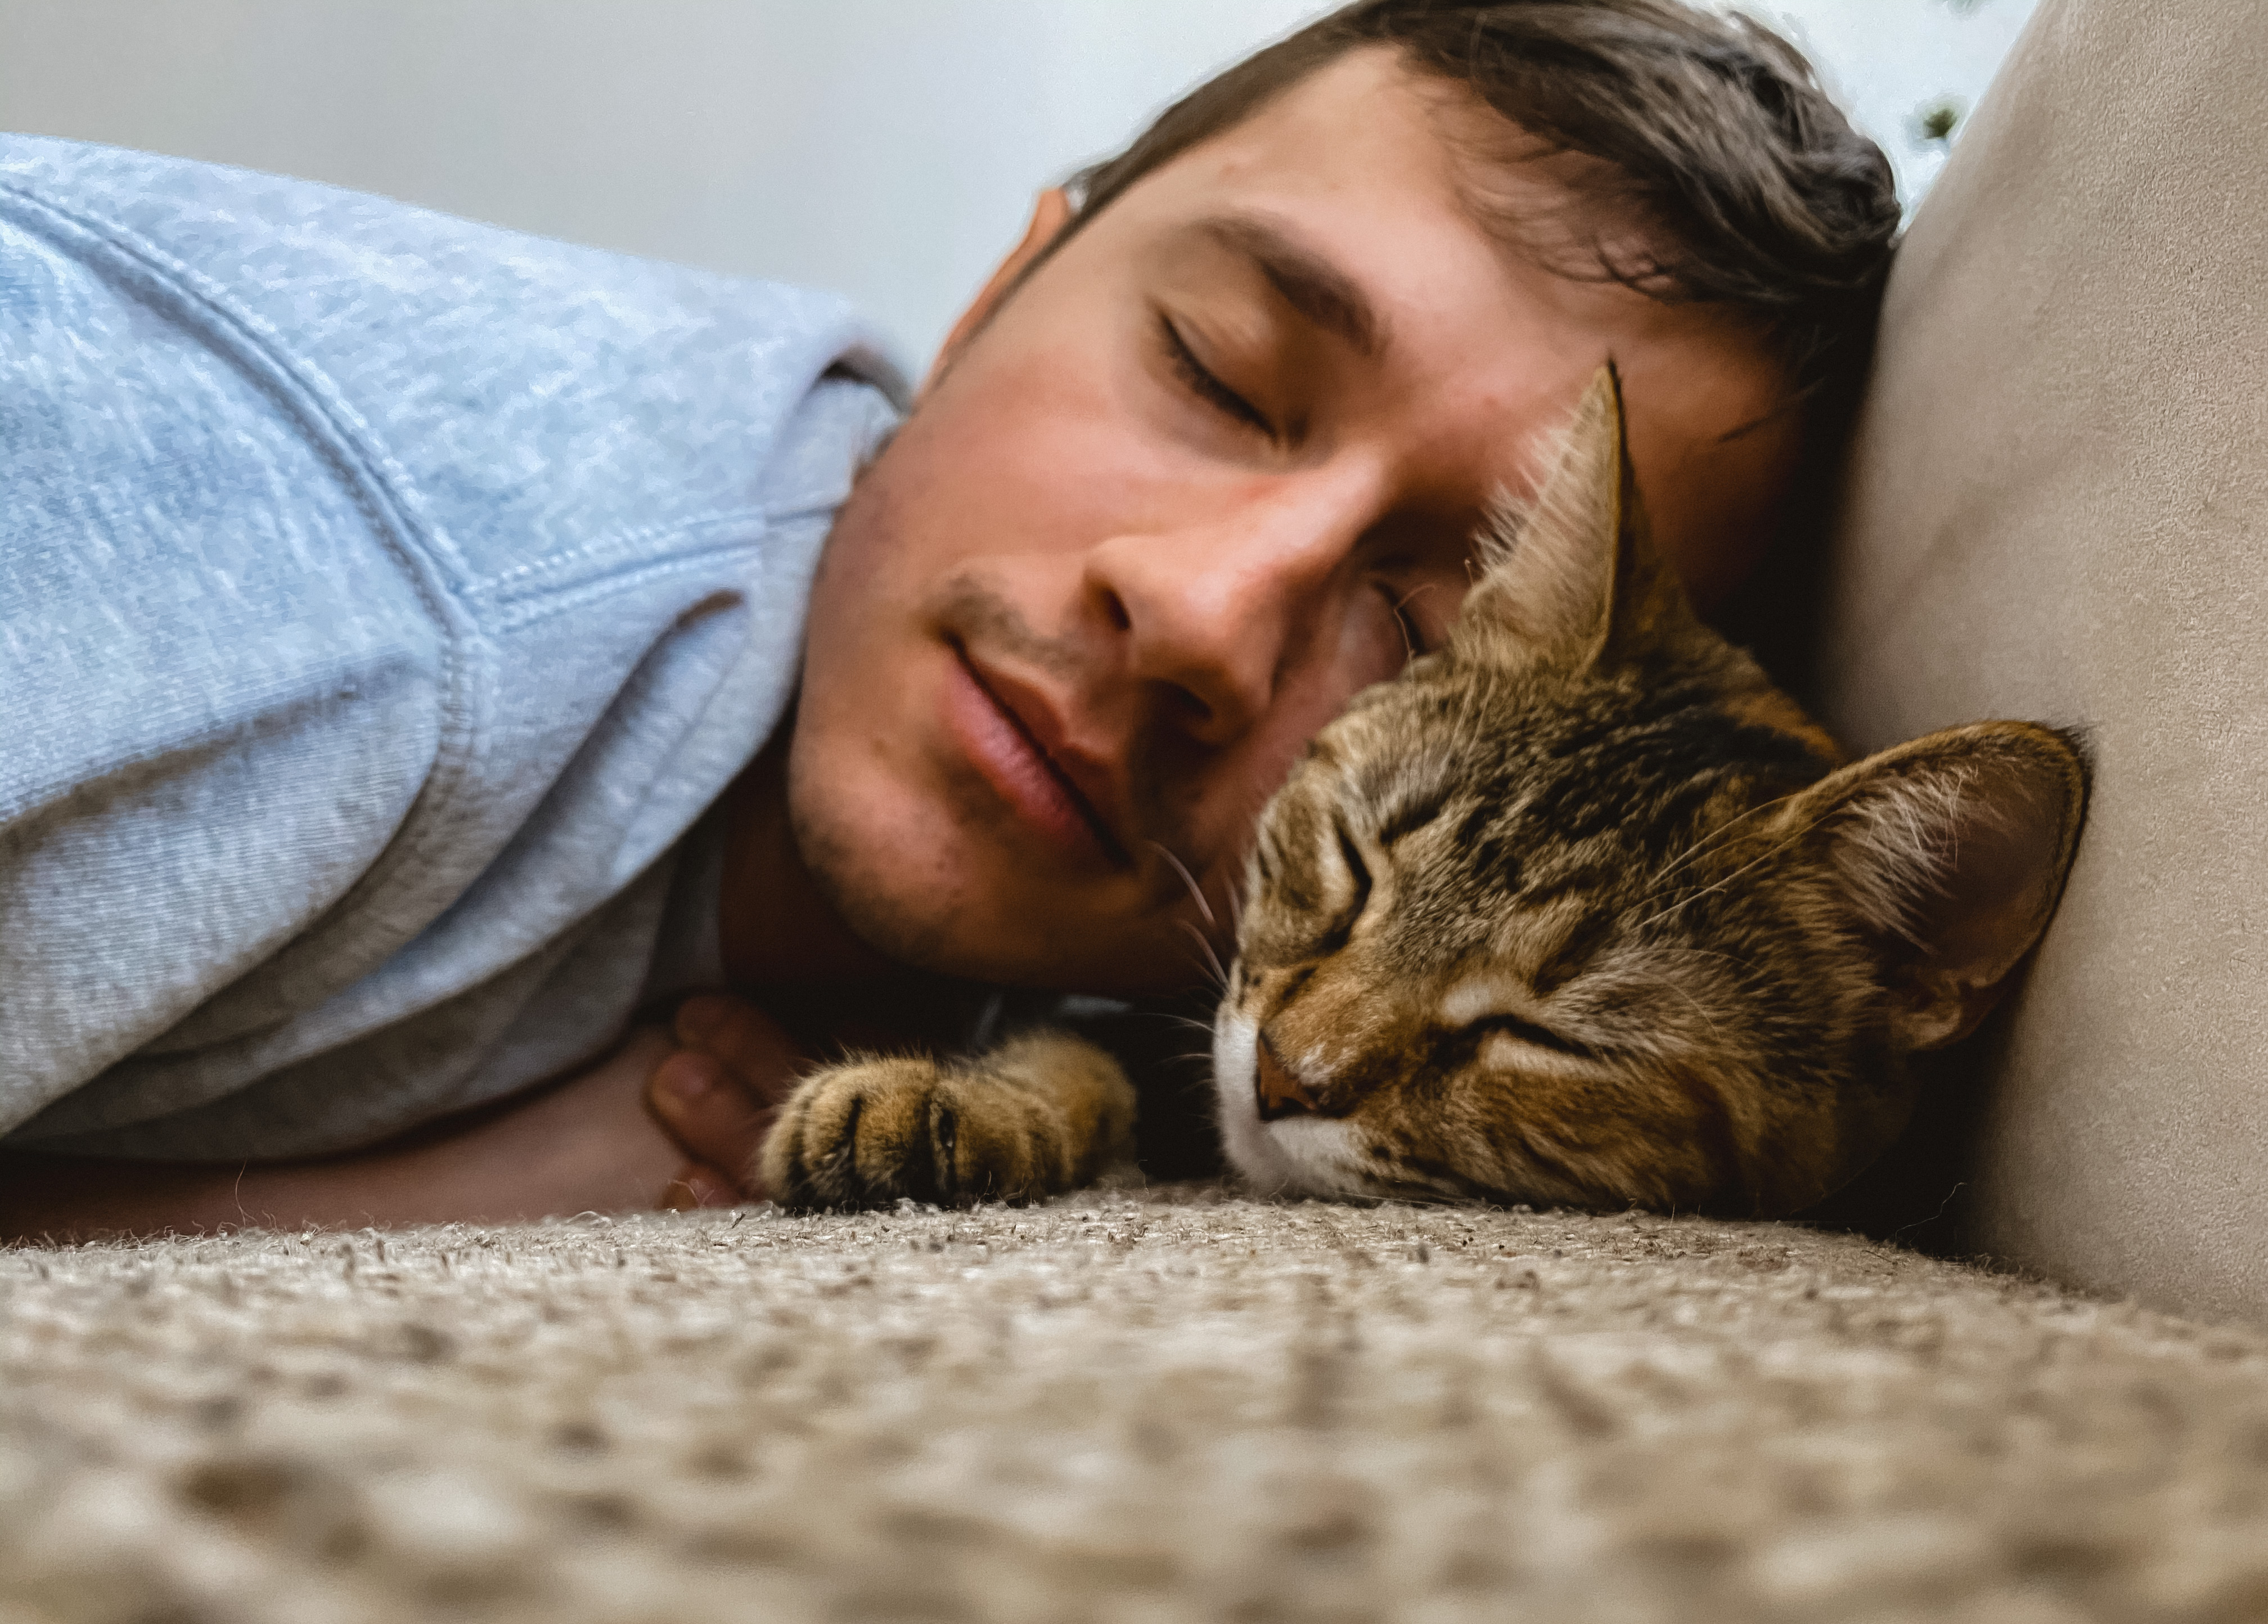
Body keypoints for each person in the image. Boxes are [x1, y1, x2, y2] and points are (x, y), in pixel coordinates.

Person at [0, 0, 1898, 1240]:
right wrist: (431, 1203)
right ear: (1005, 275)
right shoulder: (358, 585)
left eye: (1422, 634)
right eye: (1220, 372)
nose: (1200, 613)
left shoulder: (1087, 992)